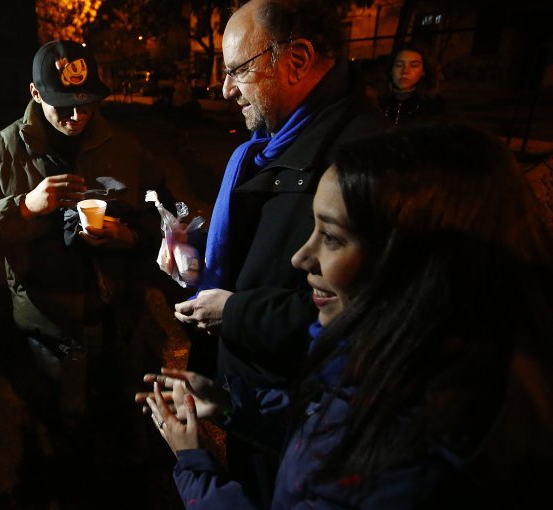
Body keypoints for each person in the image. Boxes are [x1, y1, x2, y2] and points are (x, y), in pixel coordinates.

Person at [138, 122, 553, 508]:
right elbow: (334, 422)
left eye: (332, 237)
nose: (301, 258)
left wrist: (194, 463)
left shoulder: (409, 466)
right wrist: (231, 405)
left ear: (419, 263)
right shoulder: (394, 366)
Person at [170, 0, 387, 504]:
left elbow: (367, 310)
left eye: (237, 70)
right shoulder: (266, 145)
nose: (226, 90)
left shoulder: (364, 161)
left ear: (297, 58)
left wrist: (236, 311)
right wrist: (196, 246)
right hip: (258, 402)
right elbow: (261, 247)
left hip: (303, 411)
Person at [0, 39, 174, 506]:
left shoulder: (123, 146)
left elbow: (170, 215)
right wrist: (25, 207)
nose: (77, 118)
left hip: (120, 323)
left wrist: (129, 237)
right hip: (48, 329)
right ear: (35, 93)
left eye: (87, 105)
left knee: (127, 422)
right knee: (66, 430)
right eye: (64, 107)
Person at [377, 43, 445, 125]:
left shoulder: (432, 104)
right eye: (399, 65)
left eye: (413, 65)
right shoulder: (376, 100)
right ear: (391, 69)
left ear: (423, 71)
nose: (405, 71)